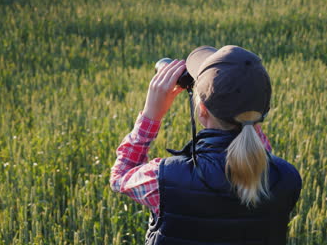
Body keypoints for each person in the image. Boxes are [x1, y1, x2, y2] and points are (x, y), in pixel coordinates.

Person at [110, 45, 302, 245]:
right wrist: (247, 104)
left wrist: (151, 114)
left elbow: (120, 176)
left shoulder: (163, 178)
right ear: (263, 111)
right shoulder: (286, 177)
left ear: (202, 110)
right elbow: (259, 149)